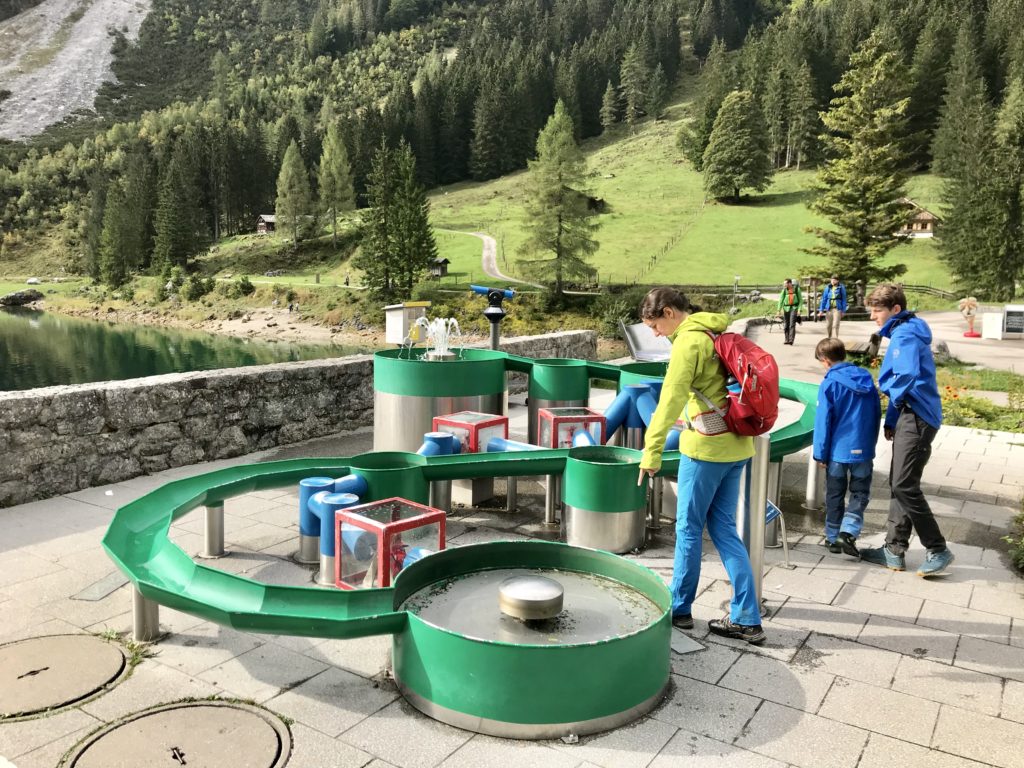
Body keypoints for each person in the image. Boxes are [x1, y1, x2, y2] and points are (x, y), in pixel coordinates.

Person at [637, 287, 765, 645]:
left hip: (706, 450)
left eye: (654, 325)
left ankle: (679, 608)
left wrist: (652, 452)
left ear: (668, 312)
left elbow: (669, 400)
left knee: (689, 529)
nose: (655, 333)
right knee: (724, 529)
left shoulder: (687, 343)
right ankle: (746, 618)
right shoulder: (717, 331)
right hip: (738, 444)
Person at [859, 284, 955, 577]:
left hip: (919, 418)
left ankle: (937, 548)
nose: (874, 316)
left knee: (903, 484)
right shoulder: (906, 330)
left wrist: (882, 388)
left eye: (878, 311)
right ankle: (894, 550)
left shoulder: (905, 334)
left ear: (895, 310)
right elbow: (904, 385)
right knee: (899, 481)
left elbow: (906, 377)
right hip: (909, 415)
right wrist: (891, 419)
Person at [812, 338, 880, 556]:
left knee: (834, 494)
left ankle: (833, 538)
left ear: (825, 360)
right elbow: (876, 414)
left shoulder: (829, 384)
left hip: (837, 452)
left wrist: (819, 454)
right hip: (863, 449)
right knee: (860, 492)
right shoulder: (867, 379)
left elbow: (823, 422)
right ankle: (848, 531)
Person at [777, 278, 802, 345]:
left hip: (794, 308)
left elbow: (800, 300)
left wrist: (799, 309)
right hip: (786, 308)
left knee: (792, 324)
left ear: (790, 283)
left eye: (785, 283)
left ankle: (791, 340)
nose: (784, 284)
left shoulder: (797, 289)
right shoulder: (784, 290)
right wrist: (778, 310)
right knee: (786, 325)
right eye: (784, 283)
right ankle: (786, 339)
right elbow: (780, 300)